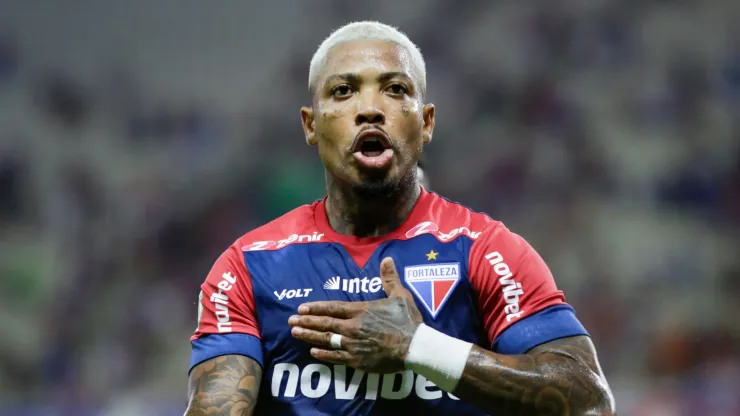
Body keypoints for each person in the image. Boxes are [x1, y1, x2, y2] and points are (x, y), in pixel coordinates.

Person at [185, 21, 615, 416]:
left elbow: (589, 402)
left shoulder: (485, 249)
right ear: (311, 124)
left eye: (394, 89)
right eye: (342, 91)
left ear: (426, 122)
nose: (370, 108)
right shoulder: (248, 265)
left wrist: (419, 346)